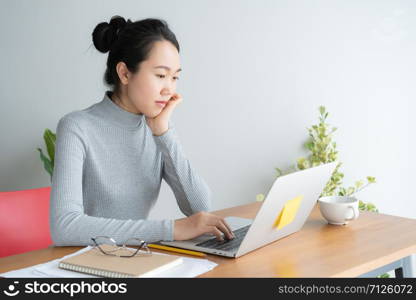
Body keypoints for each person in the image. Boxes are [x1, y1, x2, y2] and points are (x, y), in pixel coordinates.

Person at [49, 16, 234, 246]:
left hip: (135, 258)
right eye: (160, 75)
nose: (169, 88)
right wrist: (171, 229)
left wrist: (163, 134)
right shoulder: (76, 127)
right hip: (86, 264)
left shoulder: (157, 128)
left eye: (175, 77)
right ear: (124, 73)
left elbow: (200, 207)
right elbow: (65, 227)